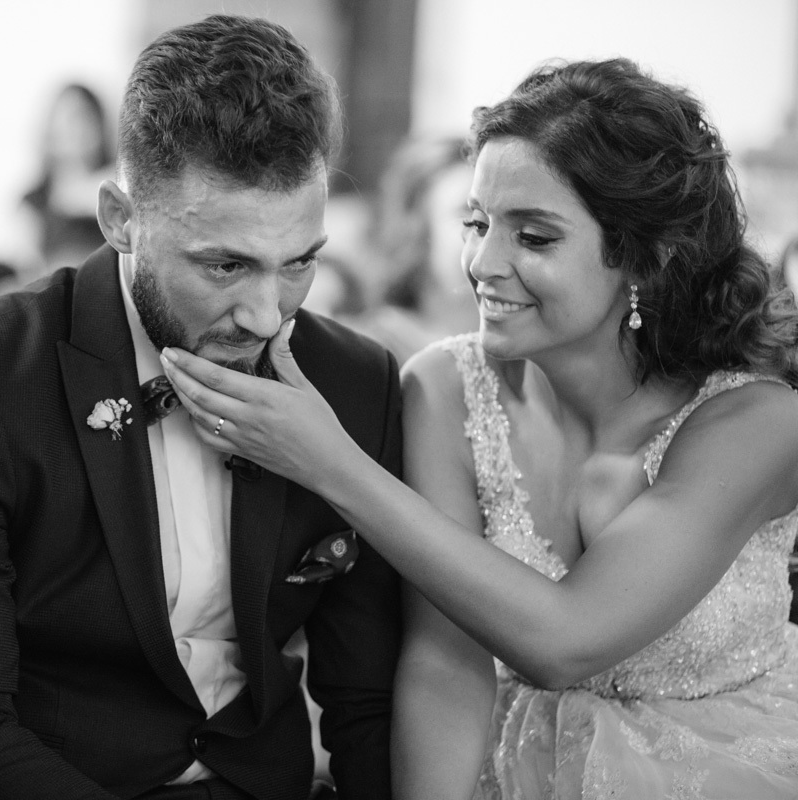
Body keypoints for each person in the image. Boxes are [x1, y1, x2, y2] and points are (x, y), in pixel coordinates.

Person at [160, 57, 798, 799]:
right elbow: (442, 659)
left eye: (534, 238)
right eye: (477, 223)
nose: (482, 263)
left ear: (643, 260)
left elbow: (566, 641)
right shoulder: (445, 385)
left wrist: (330, 463)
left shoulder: (757, 423)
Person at [0, 14, 402, 800]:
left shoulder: (354, 384)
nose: (265, 315)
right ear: (120, 220)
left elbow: (369, 707)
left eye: (299, 264)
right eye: (225, 264)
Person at [350, 136, 477, 362]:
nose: (487, 233)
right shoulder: (374, 348)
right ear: (417, 229)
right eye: (468, 214)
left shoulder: (524, 344)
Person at [17, 83, 117, 274]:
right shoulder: (33, 203)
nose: (78, 129)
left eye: (86, 117)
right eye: (70, 119)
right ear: (51, 130)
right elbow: (27, 267)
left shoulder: (119, 187)